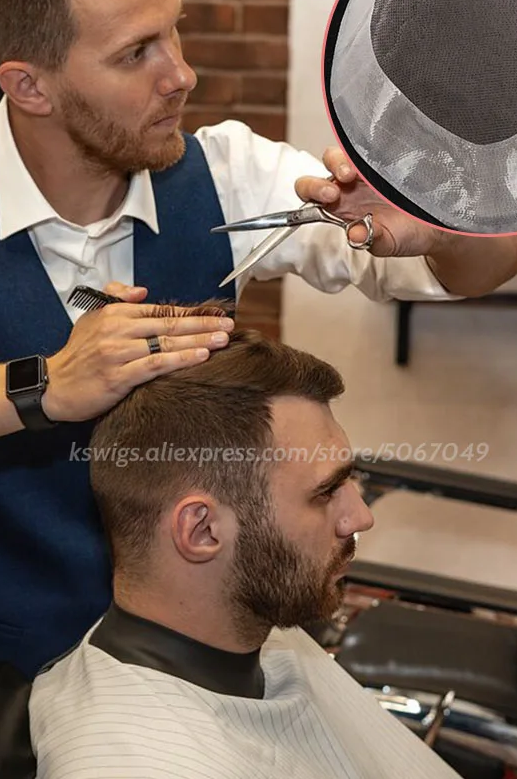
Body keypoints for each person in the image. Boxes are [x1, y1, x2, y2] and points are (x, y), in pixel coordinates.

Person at [0, 0, 517, 776]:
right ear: (29, 85)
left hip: (188, 701)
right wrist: (45, 386)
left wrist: (441, 230)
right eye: (136, 52)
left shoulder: (228, 176)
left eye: (175, 30)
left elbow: (481, 268)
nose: (180, 73)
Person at [30, 321, 461, 779]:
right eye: (325, 492)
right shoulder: (137, 764)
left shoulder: (259, 633)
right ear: (202, 531)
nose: (360, 517)